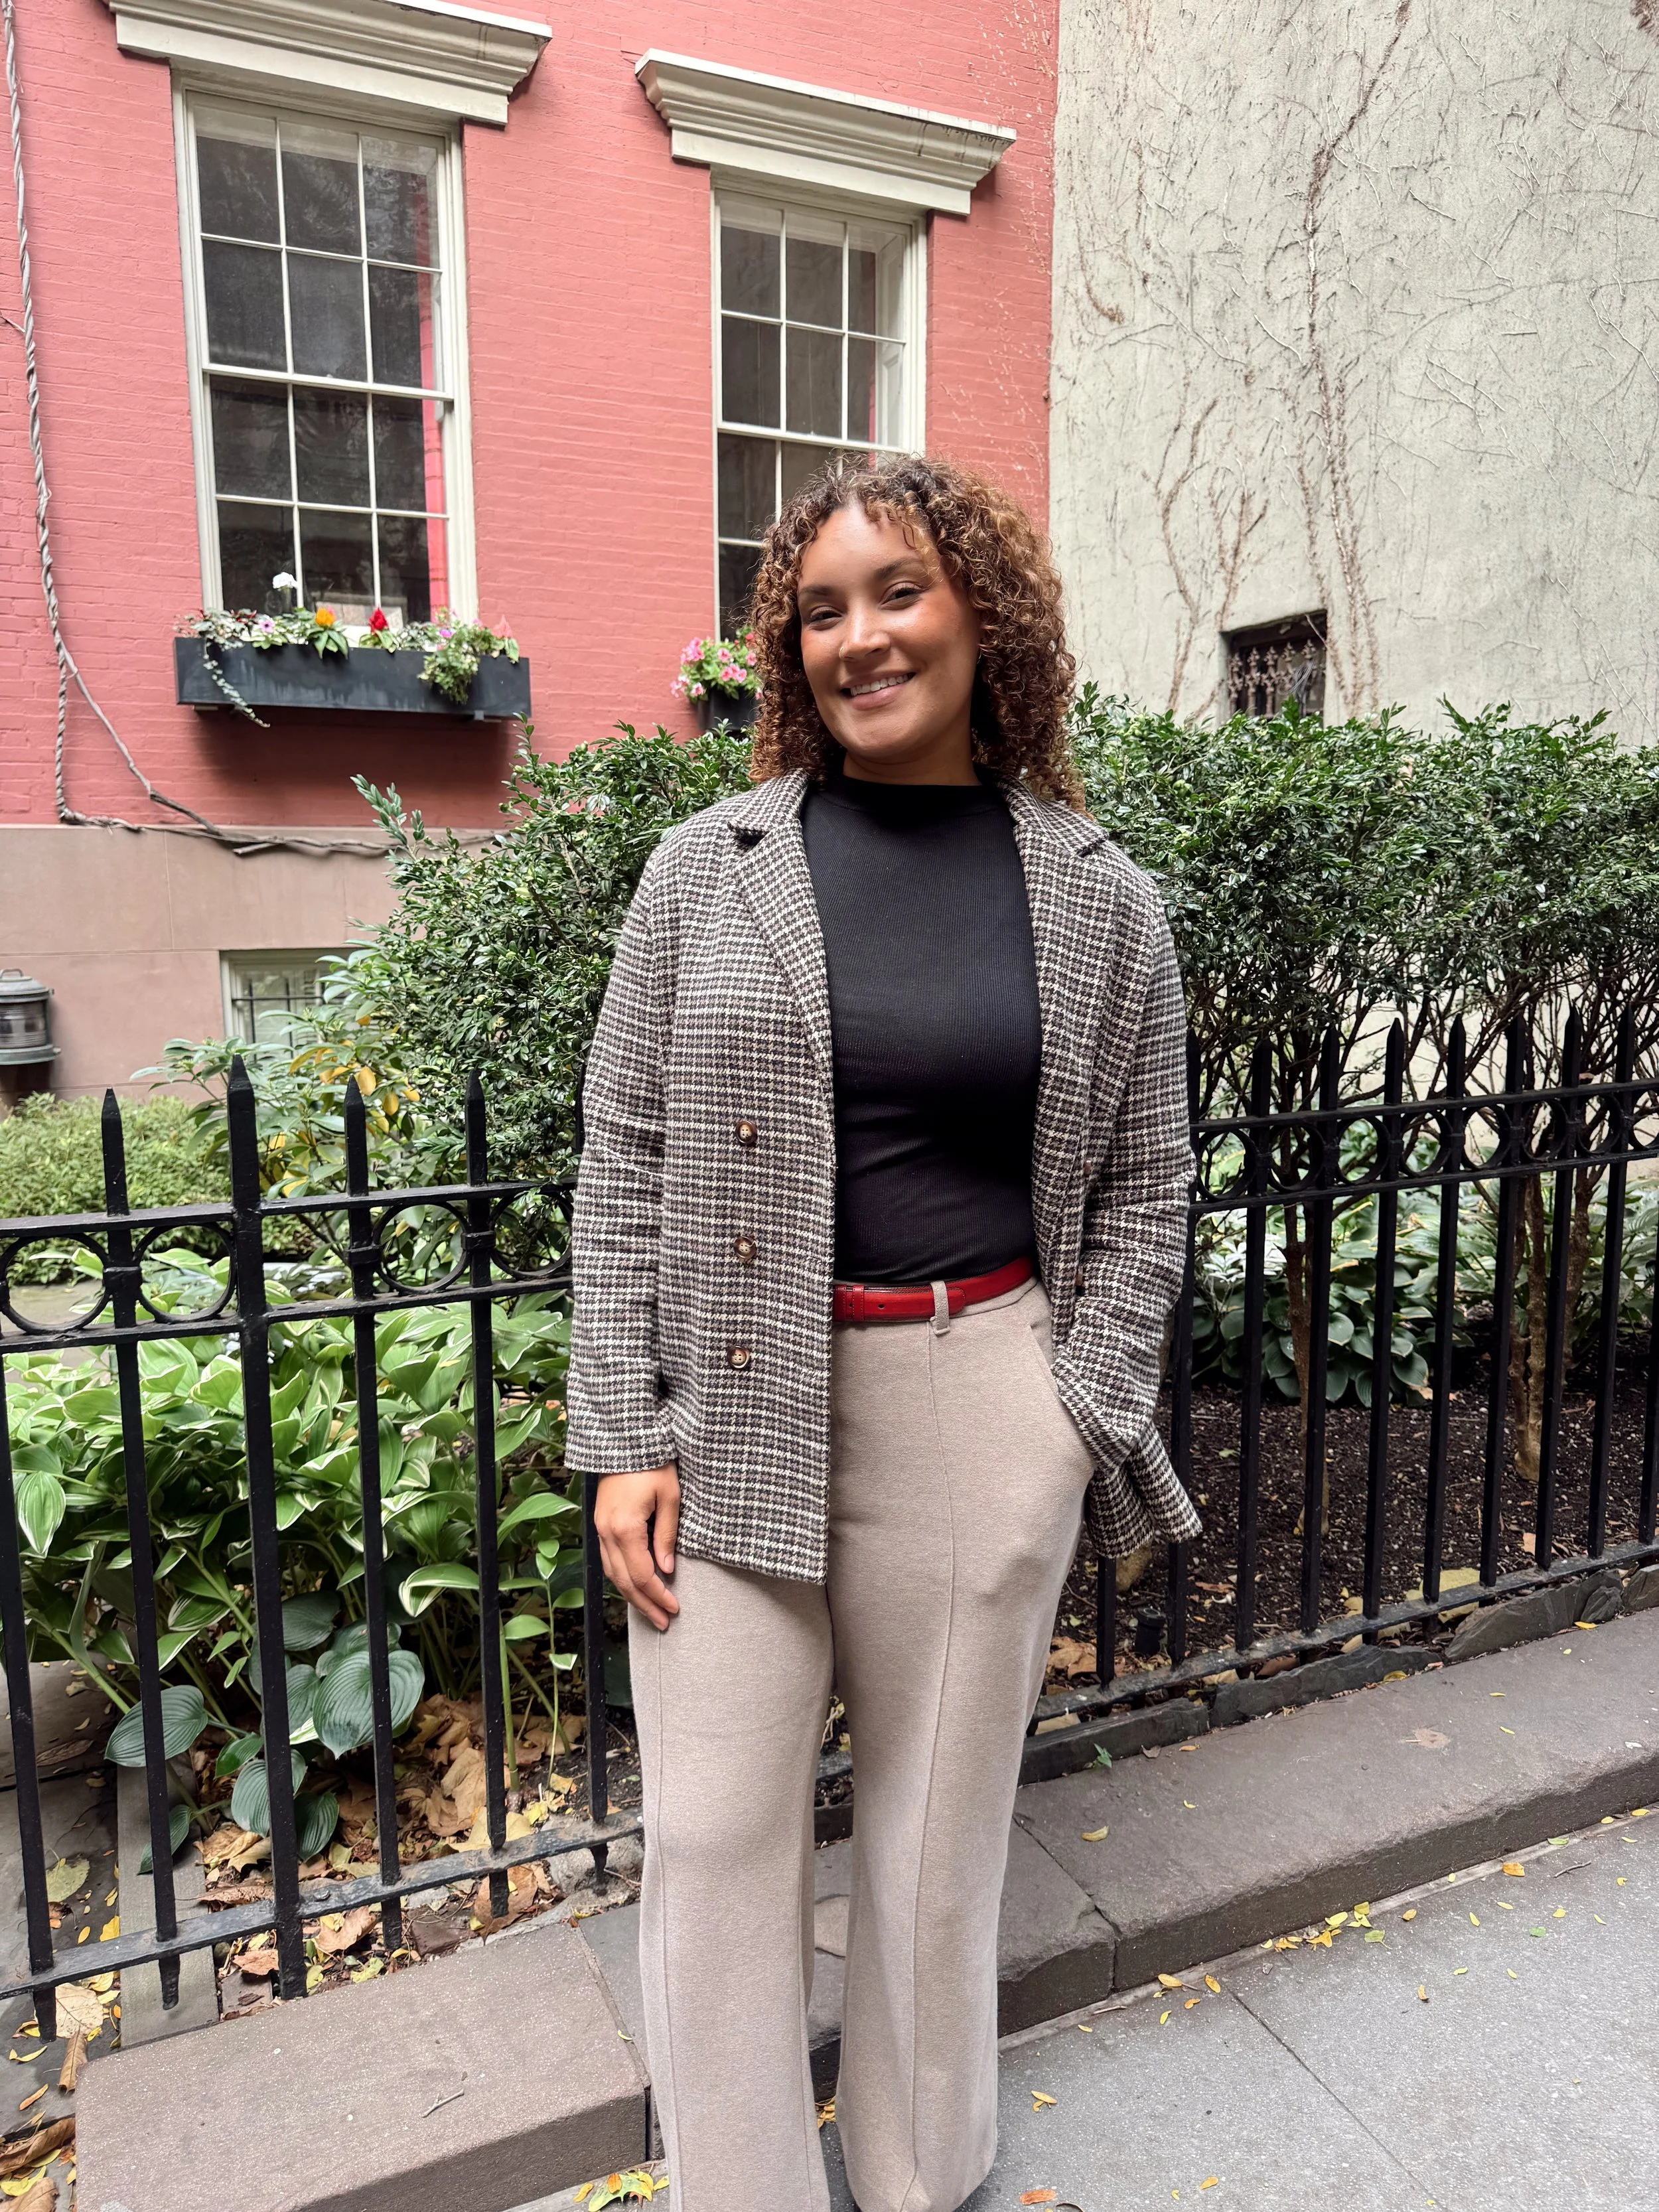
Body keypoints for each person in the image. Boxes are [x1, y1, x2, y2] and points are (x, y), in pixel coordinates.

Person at [567, 453, 1200, 2212]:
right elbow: (622, 1148)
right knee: (710, 1836)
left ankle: (923, 2176)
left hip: (980, 1394)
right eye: (820, 609)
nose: (860, 636)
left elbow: (1149, 1176)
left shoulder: (1094, 896)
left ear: (979, 609)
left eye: (895, 590)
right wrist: (623, 1421)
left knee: (931, 1846)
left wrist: (1073, 1408)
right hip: (736, 1408)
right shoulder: (711, 868)